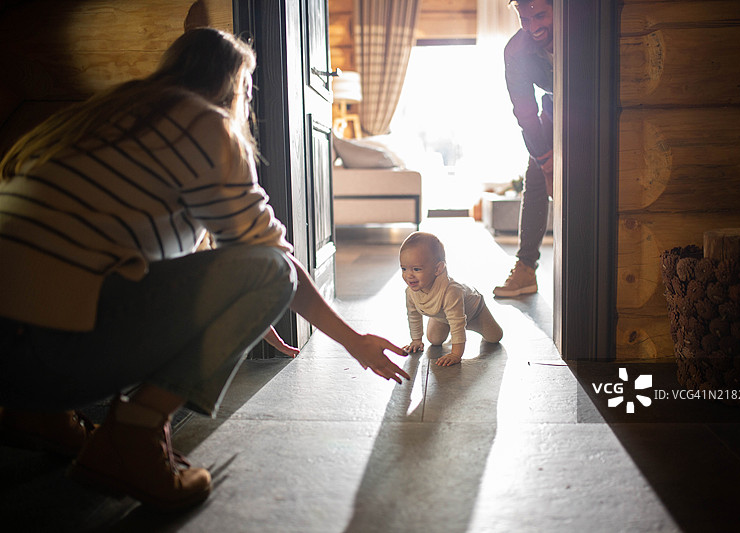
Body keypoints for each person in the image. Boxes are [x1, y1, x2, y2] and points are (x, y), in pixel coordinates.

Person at [0, 27, 410, 511]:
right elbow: (276, 263)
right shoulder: (207, 123)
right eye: (248, 88)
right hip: (45, 353)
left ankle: (39, 415)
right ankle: (133, 438)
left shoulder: (103, 113)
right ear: (236, 86)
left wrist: (237, 312)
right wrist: (352, 340)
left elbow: (137, 250)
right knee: (272, 271)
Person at [493, 0, 554, 298]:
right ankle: (526, 269)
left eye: (540, 15)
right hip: (554, 109)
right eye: (524, 19)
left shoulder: (582, 32)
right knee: (535, 177)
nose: (533, 27)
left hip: (593, 110)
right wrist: (545, 160)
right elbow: (525, 112)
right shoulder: (516, 51)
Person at [400, 232, 503, 366]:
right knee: (434, 340)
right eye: (403, 268)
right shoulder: (410, 292)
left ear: (438, 269)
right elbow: (413, 315)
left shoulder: (451, 292)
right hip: (445, 316)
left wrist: (456, 354)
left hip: (475, 311)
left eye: (416, 269)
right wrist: (416, 340)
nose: (409, 275)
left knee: (494, 337)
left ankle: (474, 325)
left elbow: (457, 324)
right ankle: (445, 319)